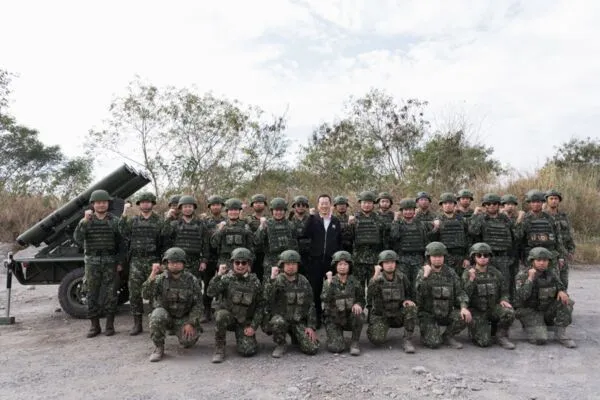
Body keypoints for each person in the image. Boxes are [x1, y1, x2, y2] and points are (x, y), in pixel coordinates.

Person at [73, 189, 124, 338]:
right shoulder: (86, 221)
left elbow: (121, 243)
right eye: (98, 203)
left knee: (111, 294)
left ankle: (109, 325)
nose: (101, 205)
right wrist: (84, 221)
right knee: (91, 294)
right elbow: (78, 238)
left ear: (108, 204)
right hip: (92, 262)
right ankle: (94, 326)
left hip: (110, 262)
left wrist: (120, 261)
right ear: (93, 204)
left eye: (104, 202)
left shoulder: (115, 221)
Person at [142, 247, 204, 362]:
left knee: (188, 342)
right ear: (167, 263)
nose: (174, 265)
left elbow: (198, 305)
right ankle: (158, 348)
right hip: (166, 316)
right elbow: (145, 294)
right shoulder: (160, 279)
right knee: (157, 315)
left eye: (178, 262)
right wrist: (153, 274)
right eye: (171, 262)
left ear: (183, 263)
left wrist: (191, 322)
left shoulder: (192, 280)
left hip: (183, 318)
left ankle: (178, 330)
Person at [207, 247, 263, 363]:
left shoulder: (255, 283)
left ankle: (248, 340)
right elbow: (210, 292)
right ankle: (219, 348)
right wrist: (218, 275)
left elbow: (260, 306)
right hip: (229, 318)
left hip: (244, 321)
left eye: (244, 263)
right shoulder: (226, 279)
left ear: (249, 264)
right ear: (232, 263)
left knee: (248, 351)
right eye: (237, 262)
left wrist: (253, 326)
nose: (240, 266)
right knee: (221, 315)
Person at [119, 191, 164, 336]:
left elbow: (165, 242)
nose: (145, 204)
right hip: (136, 261)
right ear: (139, 205)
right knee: (134, 292)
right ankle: (137, 324)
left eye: (148, 202)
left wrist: (162, 262)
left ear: (152, 204)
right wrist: (124, 212)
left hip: (153, 261)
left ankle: (155, 322)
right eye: (142, 202)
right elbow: (122, 231)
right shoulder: (133, 221)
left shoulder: (159, 221)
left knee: (154, 292)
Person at [515, 247, 576, 348]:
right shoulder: (523, 275)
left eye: (545, 260)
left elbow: (560, 286)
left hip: (546, 309)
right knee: (540, 339)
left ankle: (560, 334)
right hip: (530, 310)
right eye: (538, 260)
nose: (542, 263)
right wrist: (530, 279)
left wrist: (562, 291)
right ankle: (529, 326)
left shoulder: (551, 273)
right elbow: (522, 296)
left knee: (566, 302)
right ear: (532, 261)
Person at [263, 250, 319, 358]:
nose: (291, 267)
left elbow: (310, 304)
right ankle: (281, 344)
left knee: (312, 348)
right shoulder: (277, 280)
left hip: (298, 321)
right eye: (288, 264)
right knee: (277, 322)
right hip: (282, 320)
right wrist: (272, 279)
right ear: (282, 265)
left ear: (298, 265)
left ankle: (296, 337)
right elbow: (267, 298)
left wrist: (310, 326)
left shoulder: (303, 281)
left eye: (293, 264)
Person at [415, 242, 471, 349]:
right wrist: (425, 276)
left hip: (446, 312)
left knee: (463, 315)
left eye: (440, 256)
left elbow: (460, 292)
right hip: (429, 315)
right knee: (434, 343)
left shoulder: (450, 273)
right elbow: (419, 294)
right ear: (429, 257)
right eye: (434, 256)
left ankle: (448, 336)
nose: (437, 259)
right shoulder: (423, 273)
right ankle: (428, 333)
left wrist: (463, 307)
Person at [462, 242, 516, 349]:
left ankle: (501, 336)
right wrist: (471, 280)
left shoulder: (496, 273)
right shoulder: (468, 273)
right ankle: (476, 330)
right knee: (484, 342)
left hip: (492, 308)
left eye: (485, 255)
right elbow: (464, 294)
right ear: (474, 257)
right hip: (477, 311)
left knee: (509, 312)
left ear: (489, 257)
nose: (482, 258)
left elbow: (504, 291)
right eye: (479, 255)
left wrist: (504, 299)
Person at [366, 250, 417, 353]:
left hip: (398, 314)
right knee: (376, 339)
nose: (390, 265)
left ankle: (407, 340)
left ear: (396, 264)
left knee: (411, 308)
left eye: (392, 262)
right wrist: (375, 275)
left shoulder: (402, 277)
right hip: (382, 316)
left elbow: (410, 292)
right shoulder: (377, 278)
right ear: (381, 264)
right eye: (387, 262)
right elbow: (370, 293)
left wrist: (407, 300)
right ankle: (376, 329)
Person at [302, 194, 342, 327]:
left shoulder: (335, 221)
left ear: (330, 205)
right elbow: (305, 233)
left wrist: (338, 258)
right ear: (318, 205)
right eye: (322, 203)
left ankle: (331, 317)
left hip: (331, 261)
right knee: (316, 290)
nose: (324, 206)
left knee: (332, 289)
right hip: (316, 260)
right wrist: (310, 217)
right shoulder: (313, 219)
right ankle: (317, 317)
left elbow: (339, 240)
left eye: (326, 203)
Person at [321, 251, 365, 355]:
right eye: (340, 264)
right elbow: (324, 298)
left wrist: (358, 304)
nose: (342, 267)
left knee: (359, 314)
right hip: (334, 319)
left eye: (345, 264)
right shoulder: (329, 281)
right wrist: (329, 283)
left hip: (349, 318)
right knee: (337, 348)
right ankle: (335, 337)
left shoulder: (354, 281)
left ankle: (354, 342)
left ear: (349, 266)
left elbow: (361, 299)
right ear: (335, 266)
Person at [254, 197, 298, 282]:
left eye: (281, 210)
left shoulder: (290, 225)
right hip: (270, 264)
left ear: (285, 211)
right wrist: (261, 227)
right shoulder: (266, 224)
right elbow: (256, 241)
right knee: (269, 286)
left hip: (287, 263)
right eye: (276, 210)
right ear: (272, 211)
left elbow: (295, 245)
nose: (279, 213)